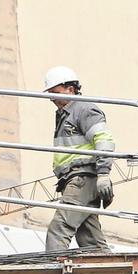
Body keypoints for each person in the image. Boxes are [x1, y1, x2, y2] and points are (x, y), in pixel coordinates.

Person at [42, 66, 116, 252]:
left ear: (70, 88)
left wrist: (104, 173)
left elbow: (104, 139)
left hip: (82, 179)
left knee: (58, 230)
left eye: (55, 92)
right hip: (77, 180)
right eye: (49, 94)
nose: (51, 98)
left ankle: (53, 272)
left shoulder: (83, 109)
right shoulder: (65, 114)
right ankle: (106, 270)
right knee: (90, 240)